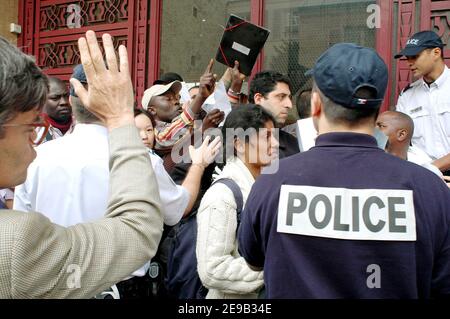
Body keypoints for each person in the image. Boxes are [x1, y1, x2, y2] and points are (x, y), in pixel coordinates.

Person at [238, 43, 450, 298]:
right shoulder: (430, 189)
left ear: (315, 104)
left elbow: (253, 261)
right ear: (377, 107)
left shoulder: (272, 181)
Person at [0, 31, 163, 298]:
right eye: (29, 126)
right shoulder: (13, 242)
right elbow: (137, 231)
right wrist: (121, 117)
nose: (34, 138)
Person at [196, 105, 278, 299]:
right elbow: (212, 269)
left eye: (274, 135)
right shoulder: (222, 195)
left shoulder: (264, 185)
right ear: (240, 144)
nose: (275, 143)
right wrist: (274, 270)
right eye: (266, 137)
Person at [395, 30, 450, 175]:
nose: (409, 63)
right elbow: (400, 141)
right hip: (422, 175)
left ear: (436, 53)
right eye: (407, 58)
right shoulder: (407, 95)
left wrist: (432, 168)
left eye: (415, 56)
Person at [249, 70, 299, 159]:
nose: (289, 105)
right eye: (281, 97)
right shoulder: (233, 138)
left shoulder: (293, 144)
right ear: (259, 99)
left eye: (289, 98)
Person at [376, 110, 442, 177]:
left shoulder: (425, 171)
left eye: (380, 126)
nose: (373, 129)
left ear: (401, 134)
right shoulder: (368, 161)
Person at [41, 77, 74, 141]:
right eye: (55, 98)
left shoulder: (82, 125)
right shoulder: (34, 131)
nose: (64, 102)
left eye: (66, 96)